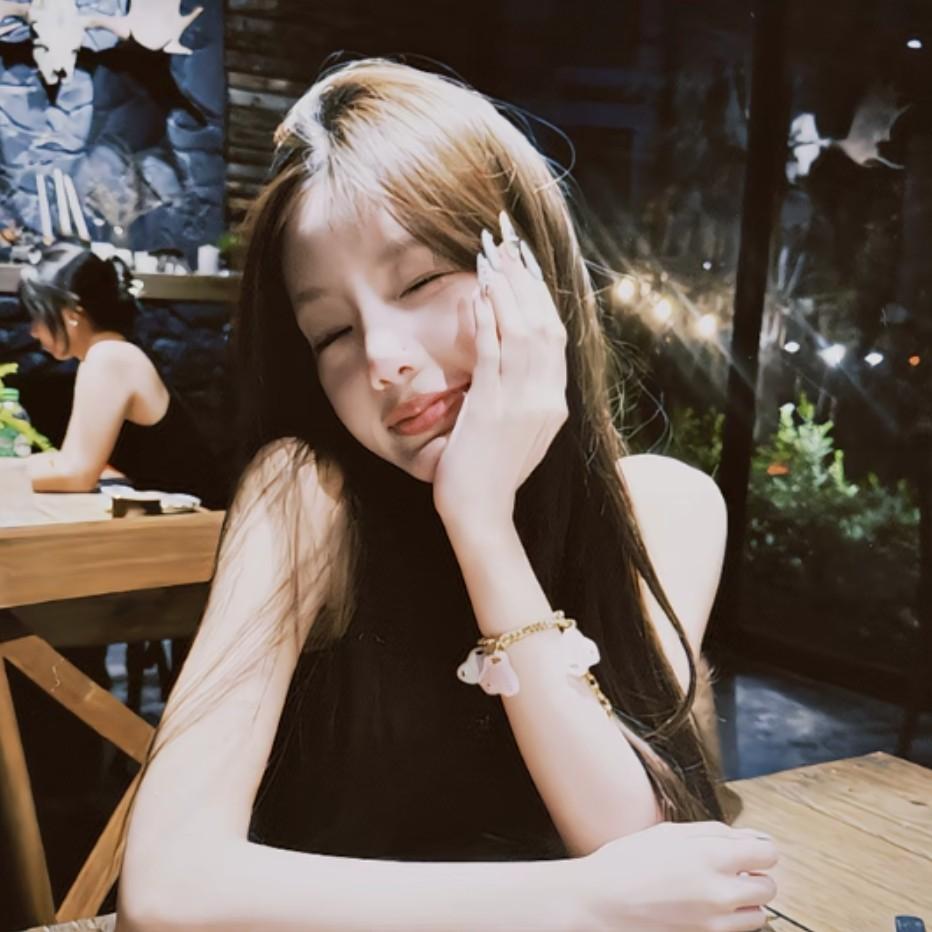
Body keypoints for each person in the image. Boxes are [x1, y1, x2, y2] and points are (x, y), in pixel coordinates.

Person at [117, 59, 777, 931]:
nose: (382, 358)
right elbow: (166, 889)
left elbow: (632, 837)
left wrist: (480, 524)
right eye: (333, 331)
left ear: (536, 267)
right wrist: (581, 901)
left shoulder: (670, 505)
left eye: (422, 281)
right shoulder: (306, 494)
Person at [19, 244, 225, 508]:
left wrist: (12, 477)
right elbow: (70, 461)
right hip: (180, 515)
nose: (33, 331)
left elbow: (78, 475)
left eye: (38, 316)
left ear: (71, 314)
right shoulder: (112, 351)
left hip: (200, 521)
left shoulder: (108, 358)